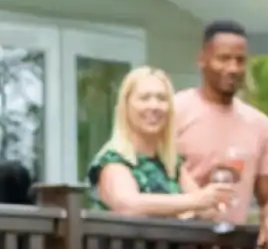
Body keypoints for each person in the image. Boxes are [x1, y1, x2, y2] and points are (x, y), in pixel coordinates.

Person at [174, 20, 268, 249]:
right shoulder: (175, 111)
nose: (233, 68)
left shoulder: (259, 124)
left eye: (240, 60)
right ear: (202, 59)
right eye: (223, 59)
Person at [86, 67, 229, 219]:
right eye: (144, 98)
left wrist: (215, 196)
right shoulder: (113, 160)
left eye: (161, 99)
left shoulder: (171, 163)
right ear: (126, 106)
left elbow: (207, 209)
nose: (154, 106)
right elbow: (128, 205)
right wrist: (191, 202)